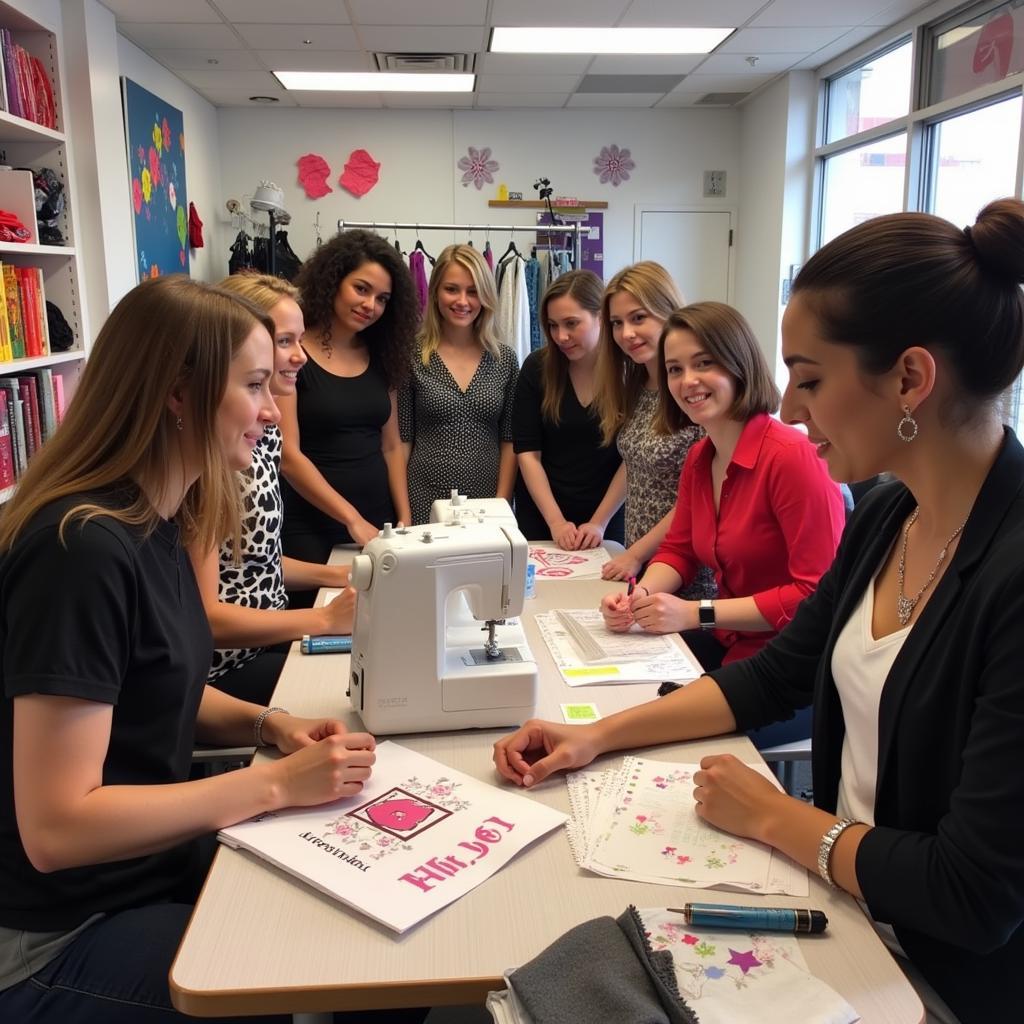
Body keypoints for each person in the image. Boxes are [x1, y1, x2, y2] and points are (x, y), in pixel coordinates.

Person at [494, 198, 1024, 1023]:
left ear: (911, 379)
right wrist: (591, 737)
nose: (798, 407)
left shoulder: (1011, 571)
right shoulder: (890, 516)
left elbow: (974, 895)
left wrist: (781, 818)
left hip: (934, 977)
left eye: (810, 379)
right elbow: (781, 673)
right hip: (849, 908)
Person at [0, 276, 378, 1023]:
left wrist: (271, 728)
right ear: (180, 395)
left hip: (140, 875)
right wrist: (273, 785)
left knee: (358, 923)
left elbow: (150, 689)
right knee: (310, 965)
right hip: (57, 932)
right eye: (255, 386)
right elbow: (56, 827)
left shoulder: (157, 522)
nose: (272, 413)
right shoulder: (80, 550)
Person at [601, 302, 845, 749]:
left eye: (703, 363)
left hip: (797, 673)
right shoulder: (702, 457)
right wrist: (642, 596)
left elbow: (814, 595)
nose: (686, 381)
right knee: (616, 697)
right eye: (674, 369)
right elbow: (680, 550)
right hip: (736, 645)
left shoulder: (792, 459)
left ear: (739, 364)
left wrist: (697, 612)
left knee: (666, 739)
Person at [186, 273, 355, 705]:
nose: (300, 356)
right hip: (226, 666)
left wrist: (340, 575)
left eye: (299, 340)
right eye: (285, 341)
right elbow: (209, 617)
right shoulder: (208, 460)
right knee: (356, 689)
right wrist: (320, 619)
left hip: (269, 636)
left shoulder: (263, 436)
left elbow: (253, 561)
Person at [279, 230, 417, 599]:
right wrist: (350, 518)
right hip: (311, 525)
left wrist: (404, 516)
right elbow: (288, 456)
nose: (370, 304)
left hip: (377, 521)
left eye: (383, 298)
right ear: (333, 281)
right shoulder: (293, 352)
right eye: (361, 289)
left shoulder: (382, 355)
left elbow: (391, 447)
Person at [594, 262, 715, 598]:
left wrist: (636, 554)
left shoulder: (692, 390)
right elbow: (636, 461)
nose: (626, 333)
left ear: (668, 312)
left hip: (686, 565)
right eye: (617, 323)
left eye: (638, 317)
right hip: (643, 558)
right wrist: (599, 522)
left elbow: (701, 494)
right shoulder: (637, 383)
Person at [398, 243, 518, 525]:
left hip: (488, 498)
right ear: (436, 291)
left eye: (473, 291)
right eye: (452, 289)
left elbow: (509, 441)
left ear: (486, 296)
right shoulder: (411, 355)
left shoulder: (505, 359)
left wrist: (502, 502)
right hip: (425, 495)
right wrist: (403, 511)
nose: (462, 301)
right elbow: (402, 441)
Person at [511, 270, 625, 548]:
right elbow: (527, 453)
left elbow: (631, 458)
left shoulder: (627, 373)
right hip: (542, 512)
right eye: (552, 325)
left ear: (601, 316)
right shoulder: (537, 367)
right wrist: (556, 521)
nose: (561, 336)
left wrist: (599, 521)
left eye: (572, 323)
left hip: (609, 514)